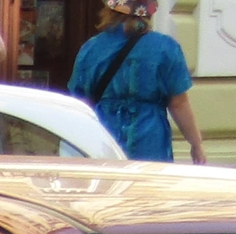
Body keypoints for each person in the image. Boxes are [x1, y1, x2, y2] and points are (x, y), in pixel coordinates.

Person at [70, 0, 207, 163]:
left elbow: (79, 102)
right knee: (146, 187)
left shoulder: (91, 48)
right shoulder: (165, 47)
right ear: (148, 11)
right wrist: (196, 144)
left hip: (103, 140)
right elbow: (178, 103)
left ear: (109, 10)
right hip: (149, 142)